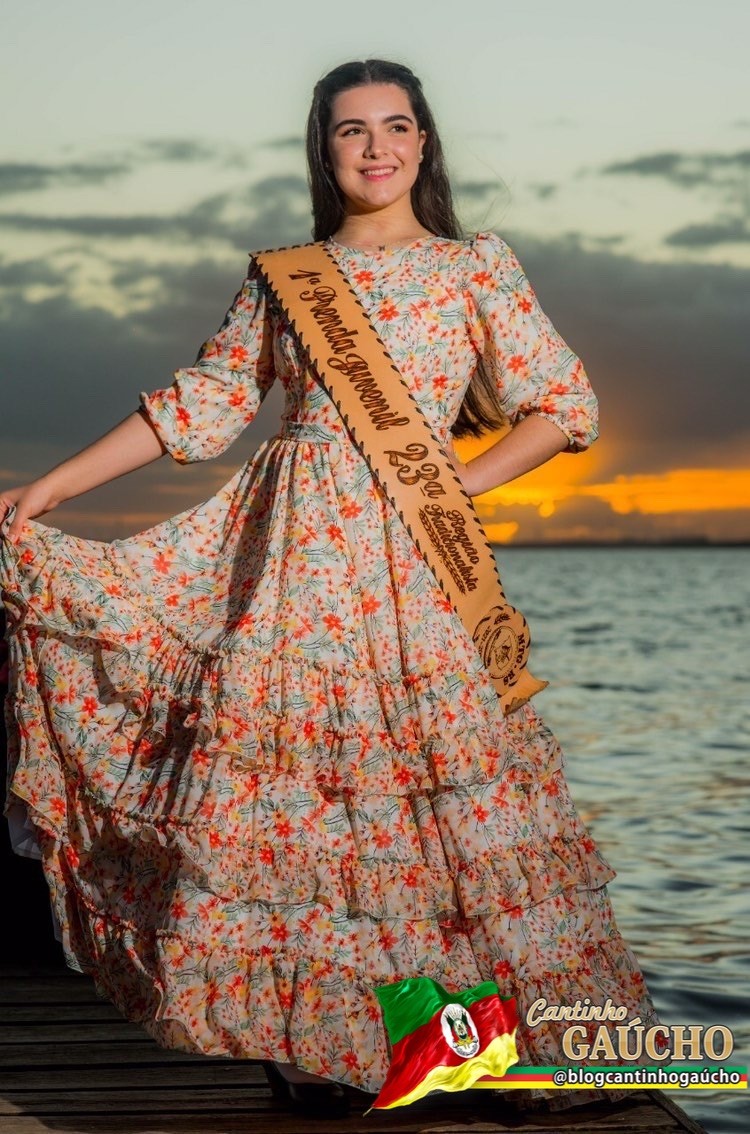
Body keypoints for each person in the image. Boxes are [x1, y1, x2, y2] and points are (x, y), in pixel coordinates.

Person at [0, 59, 662, 1118]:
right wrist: (49, 488)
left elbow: (563, 403)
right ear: (325, 150)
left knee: (439, 806)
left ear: (424, 142)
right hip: (290, 565)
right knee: (311, 806)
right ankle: (333, 1047)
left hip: (418, 568)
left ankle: (493, 1046)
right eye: (352, 130)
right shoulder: (285, 278)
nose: (376, 148)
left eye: (396, 126)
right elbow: (200, 405)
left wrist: (455, 482)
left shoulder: (475, 267)